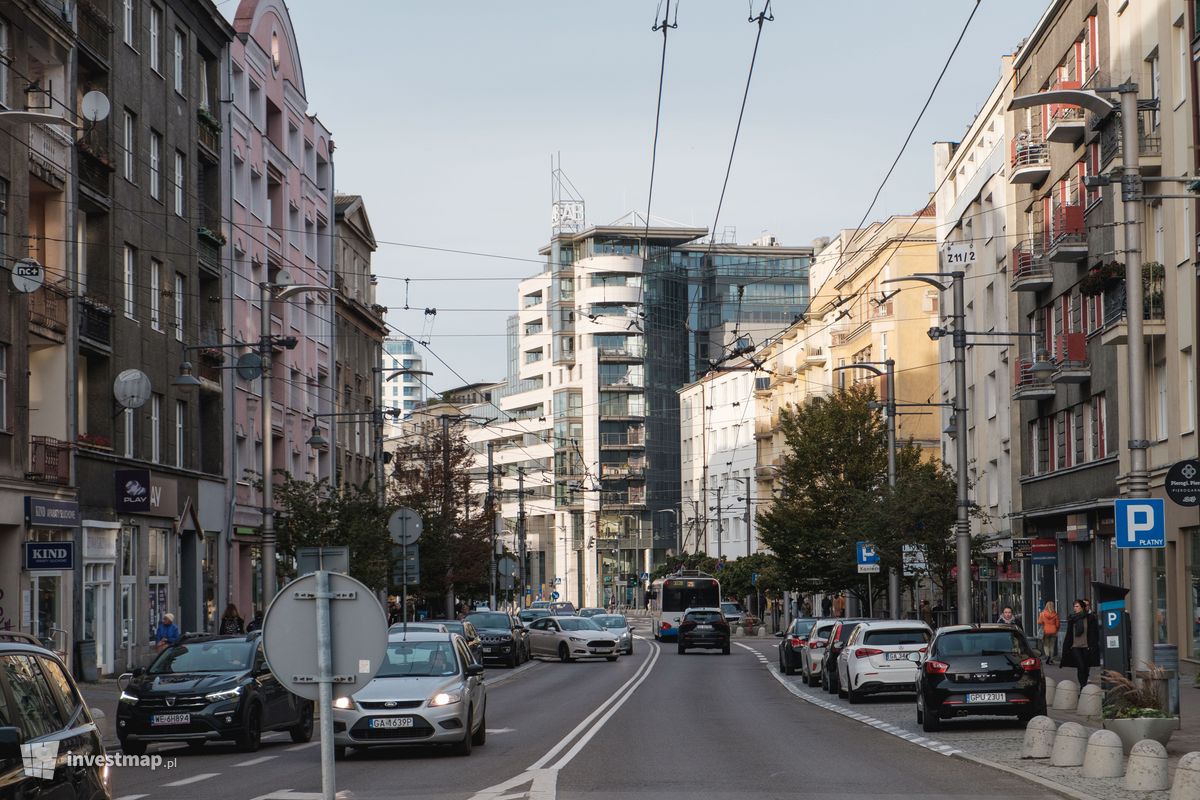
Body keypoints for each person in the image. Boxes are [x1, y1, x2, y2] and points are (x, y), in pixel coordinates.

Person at [1060, 599, 1100, 687]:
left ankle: (1084, 684)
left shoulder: (1090, 618)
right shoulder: (1072, 618)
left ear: (1082, 607)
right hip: (1075, 646)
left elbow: (1093, 633)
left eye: (1077, 606)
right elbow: (1069, 634)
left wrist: (1092, 645)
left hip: (1086, 646)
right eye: (1074, 606)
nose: (1075, 608)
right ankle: (1082, 685)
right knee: (1080, 666)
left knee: (1085, 667)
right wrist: (1067, 646)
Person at [1037, 601, 1060, 665]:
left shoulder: (1042, 613)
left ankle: (1047, 656)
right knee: (1052, 646)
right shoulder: (1055, 614)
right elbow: (1058, 624)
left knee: (1046, 645)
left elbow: (1039, 622)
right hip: (1053, 631)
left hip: (1045, 631)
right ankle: (1051, 659)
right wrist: (1056, 629)